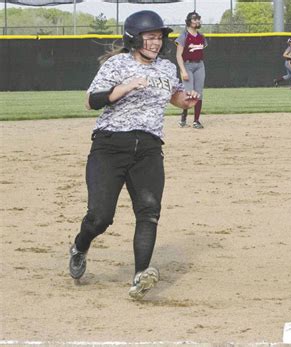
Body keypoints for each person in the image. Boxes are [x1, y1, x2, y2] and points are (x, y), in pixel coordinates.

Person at [68, 10, 199, 300]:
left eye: (158, 37)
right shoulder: (118, 64)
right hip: (110, 145)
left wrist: (184, 100)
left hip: (150, 147)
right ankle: (80, 246)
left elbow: (173, 96)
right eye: (149, 37)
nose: (155, 42)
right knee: (100, 217)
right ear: (134, 38)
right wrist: (124, 87)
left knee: (149, 211)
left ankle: (140, 276)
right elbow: (90, 101)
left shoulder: (166, 68)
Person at [175, 11, 207, 129]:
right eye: (195, 19)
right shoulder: (184, 36)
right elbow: (179, 56)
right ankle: (184, 116)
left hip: (199, 65)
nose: (197, 21)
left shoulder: (201, 37)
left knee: (199, 94)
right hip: (187, 66)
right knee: (189, 93)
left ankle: (196, 121)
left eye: (198, 19)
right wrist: (183, 71)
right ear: (189, 21)